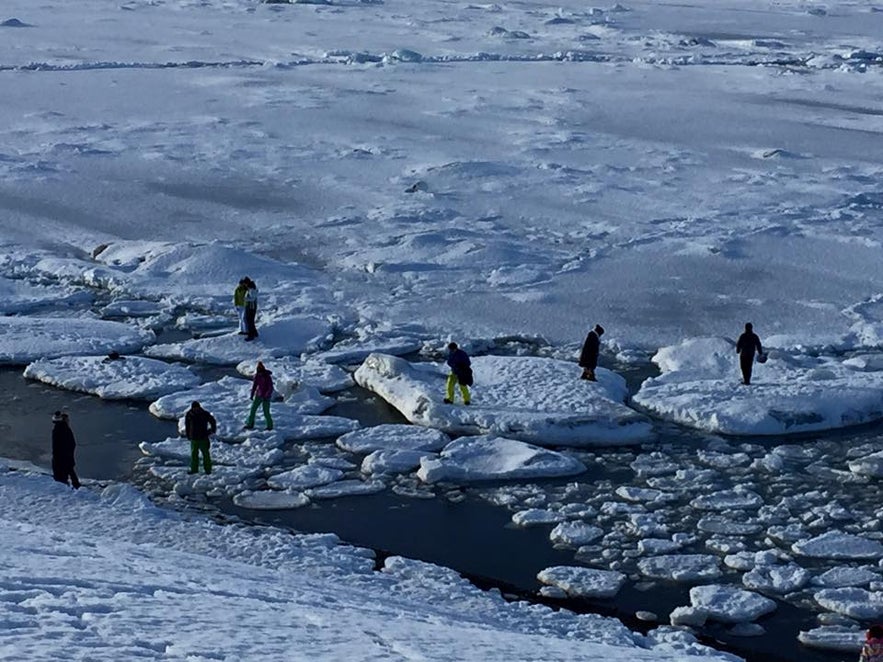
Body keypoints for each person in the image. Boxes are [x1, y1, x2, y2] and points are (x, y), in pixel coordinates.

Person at [185, 401, 216, 475]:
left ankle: (207, 469)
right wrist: (188, 435)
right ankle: (195, 469)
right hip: (195, 437)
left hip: (202, 437)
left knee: (205, 454)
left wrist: (212, 429)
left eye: (197, 408)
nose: (196, 409)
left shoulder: (203, 414)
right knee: (195, 454)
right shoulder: (190, 414)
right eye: (195, 408)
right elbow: (187, 425)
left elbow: (212, 421)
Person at [51, 411, 80, 489]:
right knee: (69, 469)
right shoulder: (65, 429)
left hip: (61, 456)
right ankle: (76, 485)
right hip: (66, 455)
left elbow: (56, 445)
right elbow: (71, 443)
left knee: (63, 471)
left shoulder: (58, 430)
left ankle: (71, 485)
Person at [245, 362, 274, 431]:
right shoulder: (257, 376)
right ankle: (250, 424)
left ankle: (270, 426)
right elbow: (254, 386)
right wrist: (252, 395)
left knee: (266, 412)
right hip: (258, 395)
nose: (259, 373)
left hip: (266, 397)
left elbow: (270, 387)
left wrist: (266, 395)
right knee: (253, 410)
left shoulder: (267, 377)